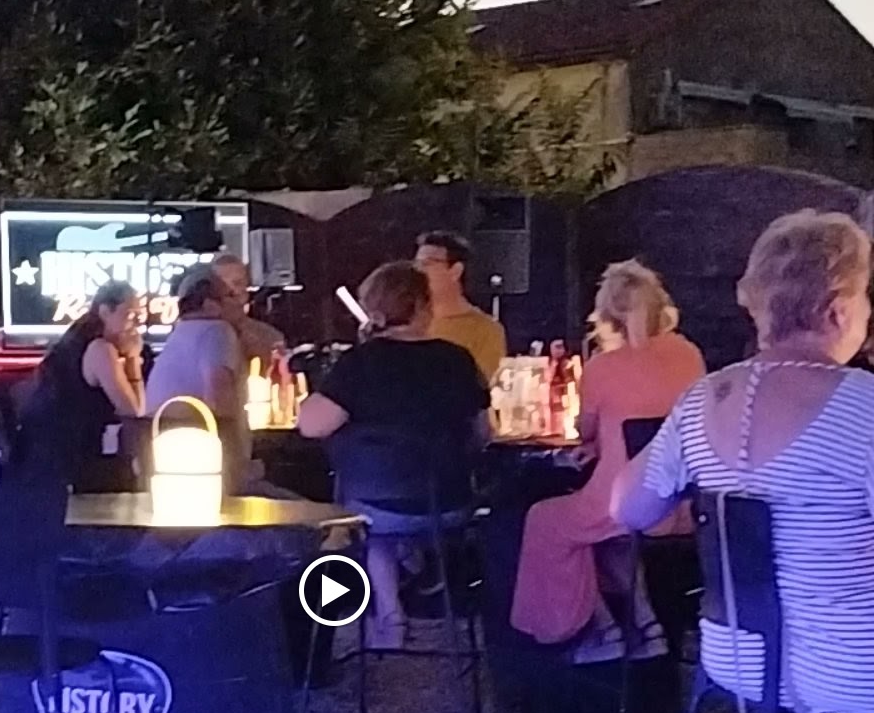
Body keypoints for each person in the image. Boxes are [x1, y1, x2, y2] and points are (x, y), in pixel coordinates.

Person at [614, 211, 874, 713]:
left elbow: (628, 508)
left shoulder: (703, 399)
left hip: (736, 657)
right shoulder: (864, 406)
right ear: (839, 310)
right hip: (851, 668)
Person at [511, 259, 705, 659]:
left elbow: (583, 430)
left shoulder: (603, 367)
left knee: (547, 521)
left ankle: (598, 630)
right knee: (608, 537)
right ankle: (647, 624)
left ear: (609, 316)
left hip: (627, 500)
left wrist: (594, 442)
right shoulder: (689, 354)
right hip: (684, 503)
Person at [298, 259, 490, 648]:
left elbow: (311, 426)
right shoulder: (457, 360)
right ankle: (418, 571)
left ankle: (391, 617)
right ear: (423, 306)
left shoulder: (360, 364)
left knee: (374, 524)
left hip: (376, 506)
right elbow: (485, 434)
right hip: (451, 504)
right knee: (397, 519)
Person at [18, 279, 145, 491]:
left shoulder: (75, 340)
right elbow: (133, 410)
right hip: (82, 459)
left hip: (55, 456)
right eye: (130, 315)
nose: (135, 324)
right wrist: (133, 359)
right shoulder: (100, 350)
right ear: (105, 311)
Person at [145, 263, 251, 491]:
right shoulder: (217, 331)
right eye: (230, 296)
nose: (240, 302)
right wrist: (240, 467)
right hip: (206, 470)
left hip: (165, 467)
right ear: (210, 305)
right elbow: (219, 399)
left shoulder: (181, 333)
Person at [415, 231, 507, 384]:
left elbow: (483, 387)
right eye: (416, 264)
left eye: (426, 264)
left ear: (455, 271)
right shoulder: (408, 321)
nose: (417, 271)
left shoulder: (486, 330)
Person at [210, 251, 286, 374]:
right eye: (224, 285)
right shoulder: (204, 336)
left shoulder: (270, 336)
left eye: (240, 283)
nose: (234, 290)